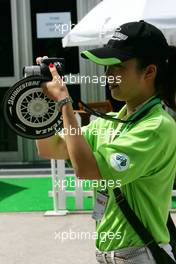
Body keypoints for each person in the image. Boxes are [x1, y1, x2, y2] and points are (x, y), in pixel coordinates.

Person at [36, 20, 176, 264]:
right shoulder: (110, 122)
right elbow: (52, 148)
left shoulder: (156, 127)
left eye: (118, 66)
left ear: (149, 72)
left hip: (140, 256)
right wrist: (39, 103)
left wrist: (64, 103)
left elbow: (87, 170)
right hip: (109, 256)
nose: (109, 74)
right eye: (107, 66)